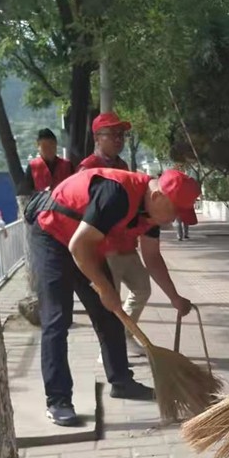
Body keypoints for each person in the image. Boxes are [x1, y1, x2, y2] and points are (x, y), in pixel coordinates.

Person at [30, 166, 199, 426]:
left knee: (109, 316)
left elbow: (152, 258)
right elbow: (78, 246)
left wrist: (174, 297)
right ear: (158, 197)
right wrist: (105, 288)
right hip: (52, 234)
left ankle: (122, 382)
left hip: (85, 245)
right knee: (57, 318)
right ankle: (58, 400)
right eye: (175, 212)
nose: (174, 220)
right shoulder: (116, 194)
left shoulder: (151, 213)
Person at [78, 112, 151, 357]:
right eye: (112, 134)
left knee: (142, 288)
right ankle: (110, 353)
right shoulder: (88, 168)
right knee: (110, 300)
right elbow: (83, 210)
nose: (119, 139)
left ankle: (125, 336)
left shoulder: (122, 166)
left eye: (121, 134)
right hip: (104, 248)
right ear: (97, 137)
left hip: (126, 244)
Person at [23, 128, 73, 194]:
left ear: (56, 144)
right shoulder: (32, 167)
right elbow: (27, 192)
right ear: (38, 146)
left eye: (51, 145)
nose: (49, 150)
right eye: (44, 147)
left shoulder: (67, 166)